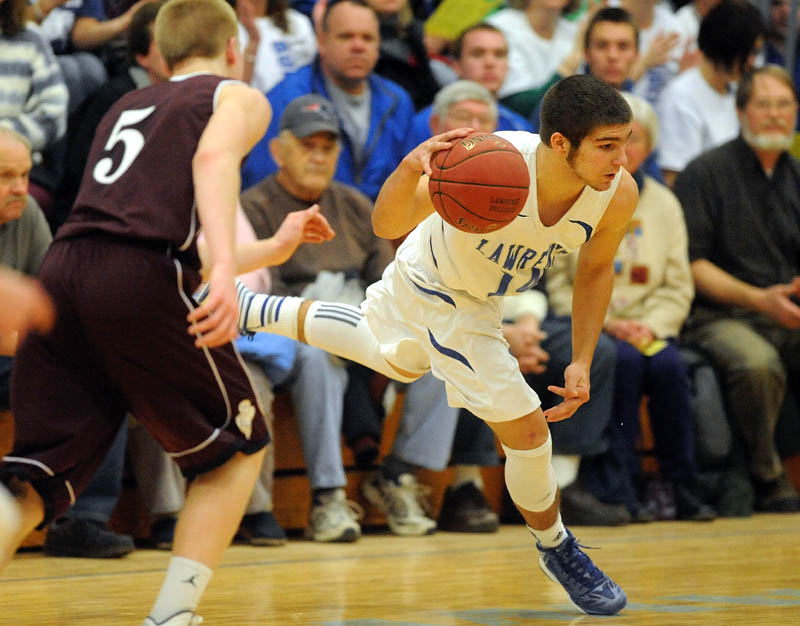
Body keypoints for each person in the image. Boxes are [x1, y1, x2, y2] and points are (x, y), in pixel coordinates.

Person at [206, 74, 638, 616]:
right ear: (559, 144)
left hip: (478, 295)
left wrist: (579, 357)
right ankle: (558, 546)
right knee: (527, 427)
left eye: (625, 141)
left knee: (388, 355)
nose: (621, 158)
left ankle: (253, 309)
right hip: (437, 283)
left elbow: (596, 270)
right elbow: (385, 222)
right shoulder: (490, 163)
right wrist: (411, 167)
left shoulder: (617, 192)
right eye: (606, 145)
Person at [0, 4, 333, 626]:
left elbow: (143, 234)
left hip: (68, 269)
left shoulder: (125, 107)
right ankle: (172, 617)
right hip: (135, 276)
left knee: (37, 479)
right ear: (234, 47)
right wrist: (231, 275)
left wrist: (267, 249)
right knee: (238, 449)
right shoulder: (236, 94)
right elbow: (211, 168)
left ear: (163, 50)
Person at [241, 93, 453, 539]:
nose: (319, 156)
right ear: (279, 151)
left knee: (445, 355)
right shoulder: (255, 206)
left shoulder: (355, 203)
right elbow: (262, 290)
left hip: (365, 316)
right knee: (321, 356)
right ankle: (328, 497)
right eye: (307, 145)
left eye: (327, 147)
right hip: (293, 326)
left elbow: (390, 276)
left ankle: (397, 473)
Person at [547, 92, 716, 522]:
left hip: (647, 330)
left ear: (650, 146)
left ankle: (683, 486)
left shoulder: (665, 203)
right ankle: (621, 489)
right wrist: (609, 326)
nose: (625, 153)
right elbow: (560, 283)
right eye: (613, 142)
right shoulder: (577, 196)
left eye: (636, 140)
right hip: (600, 328)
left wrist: (651, 327)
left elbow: (678, 284)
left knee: (667, 368)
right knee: (619, 364)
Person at [673, 64, 800, 514]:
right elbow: (692, 263)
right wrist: (758, 299)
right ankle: (767, 476)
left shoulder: (796, 174)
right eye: (763, 104)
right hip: (718, 315)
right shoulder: (705, 173)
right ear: (741, 111)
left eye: (784, 105)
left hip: (788, 310)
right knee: (757, 364)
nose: (774, 115)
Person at [240, 0, 416, 201]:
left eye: (367, 38)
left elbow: (409, 183)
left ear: (378, 46)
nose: (358, 46)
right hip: (306, 222)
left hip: (379, 226)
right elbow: (263, 185)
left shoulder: (398, 102)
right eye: (346, 36)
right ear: (321, 42)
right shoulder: (286, 100)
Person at [657, 0, 763, 187]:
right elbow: (675, 180)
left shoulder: (734, 91)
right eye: (751, 52)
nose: (753, 62)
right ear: (731, 49)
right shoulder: (680, 97)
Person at [405, 22, 532, 152]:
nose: (490, 63)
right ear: (456, 64)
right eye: (478, 54)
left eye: (499, 54)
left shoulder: (520, 127)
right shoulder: (425, 123)